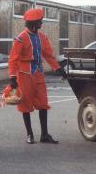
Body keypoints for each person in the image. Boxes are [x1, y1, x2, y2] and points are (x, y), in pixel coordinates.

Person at [8, 8, 66, 144]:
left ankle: (44, 135)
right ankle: (30, 134)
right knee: (25, 104)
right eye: (40, 21)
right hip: (24, 74)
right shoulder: (20, 39)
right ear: (33, 23)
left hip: (38, 73)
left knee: (43, 104)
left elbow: (48, 55)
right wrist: (12, 77)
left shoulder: (42, 37)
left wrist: (57, 68)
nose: (42, 23)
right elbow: (13, 59)